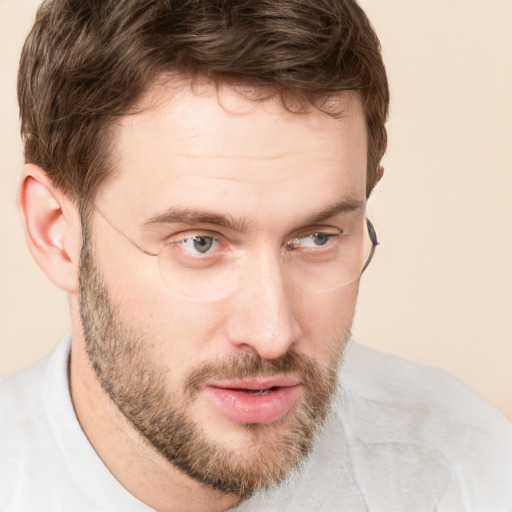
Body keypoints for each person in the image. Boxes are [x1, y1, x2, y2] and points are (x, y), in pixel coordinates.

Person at [1, 0, 511, 510]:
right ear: (56, 232)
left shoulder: (472, 469)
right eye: (200, 242)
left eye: (317, 238)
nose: (273, 334)